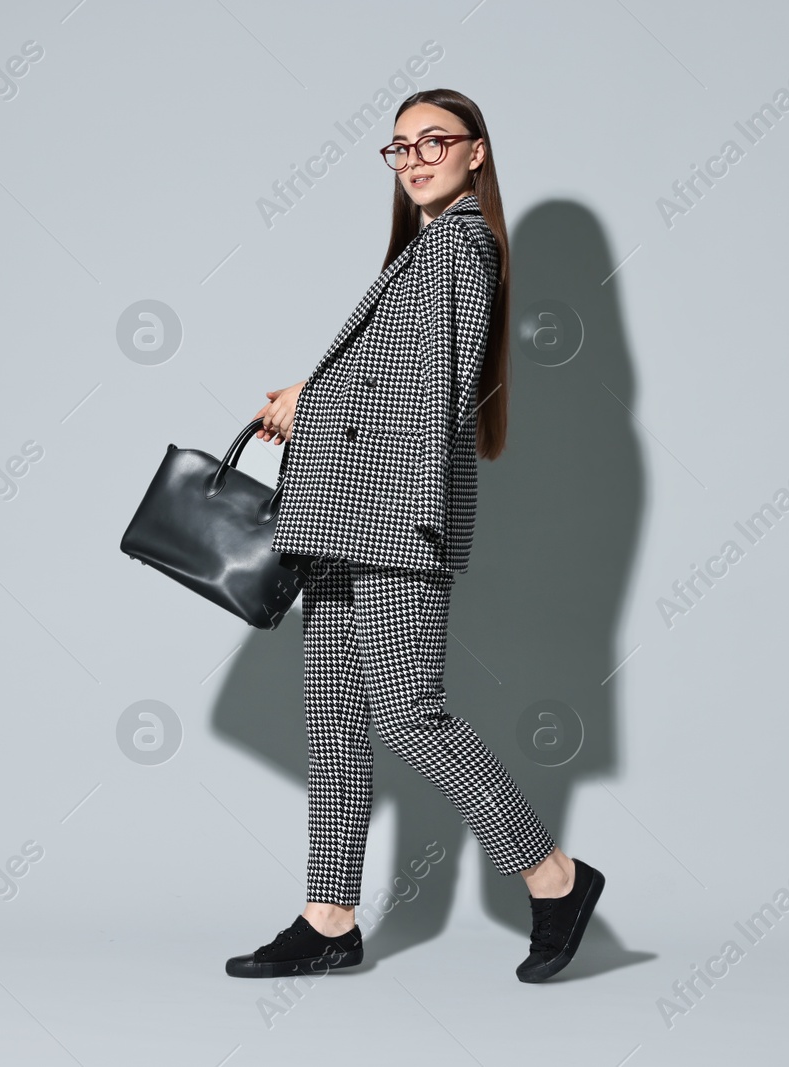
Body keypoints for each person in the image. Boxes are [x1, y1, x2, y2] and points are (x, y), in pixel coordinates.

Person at [228, 89, 603, 984]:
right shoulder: (423, 250)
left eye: (436, 140)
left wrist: (306, 405)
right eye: (400, 146)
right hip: (350, 516)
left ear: (478, 153)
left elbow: (423, 397)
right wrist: (310, 399)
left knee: (408, 711)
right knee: (334, 717)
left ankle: (553, 876)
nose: (417, 156)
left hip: (397, 517)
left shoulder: (459, 248)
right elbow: (389, 378)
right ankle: (329, 914)